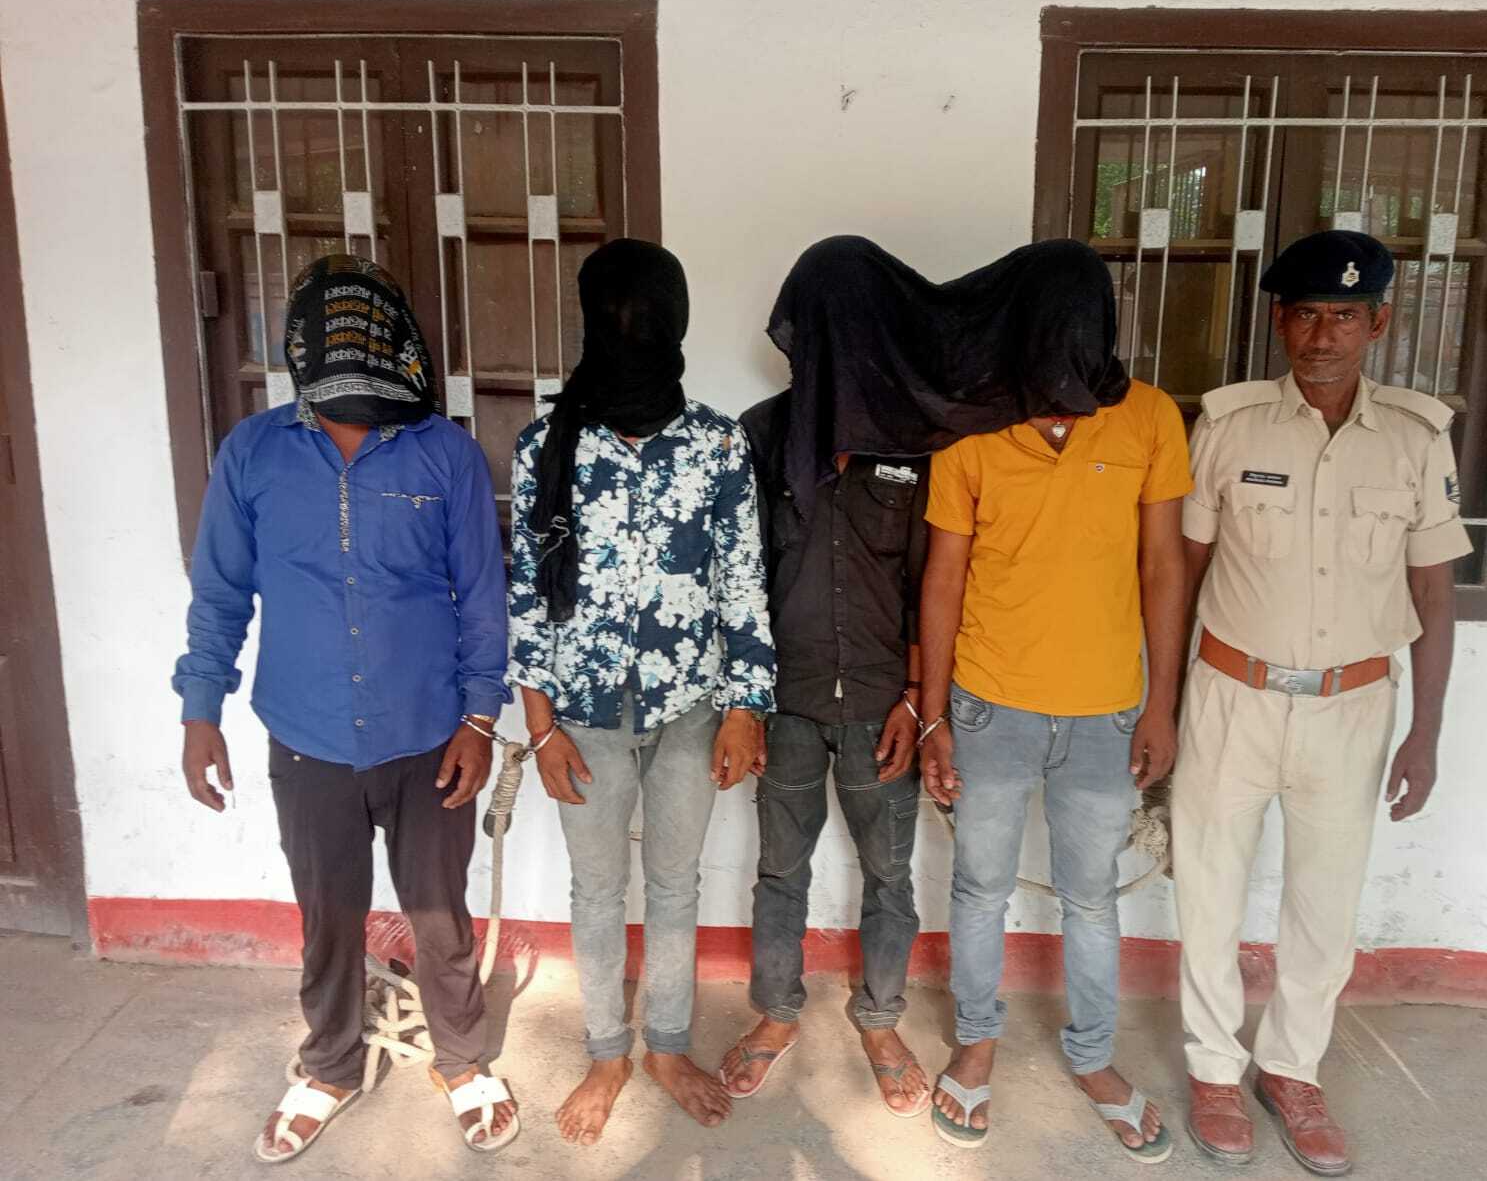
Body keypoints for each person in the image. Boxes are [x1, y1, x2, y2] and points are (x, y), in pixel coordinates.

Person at [173, 254, 519, 1163]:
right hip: (308, 734)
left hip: (429, 733)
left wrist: (479, 720)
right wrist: (200, 710)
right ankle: (329, 1064)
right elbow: (220, 593)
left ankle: (463, 1061)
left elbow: (483, 599)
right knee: (327, 914)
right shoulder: (252, 453)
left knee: (439, 913)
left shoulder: (444, 453)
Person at [1175, 230, 1471, 1177]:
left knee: (1324, 903)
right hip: (1230, 693)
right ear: (1279, 322)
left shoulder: (1417, 438)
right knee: (1209, 890)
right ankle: (1214, 1069)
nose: (1323, 335)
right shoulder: (1228, 426)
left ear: (1378, 324)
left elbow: (1433, 593)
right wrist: (1161, 706)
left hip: (1352, 706)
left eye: (1345, 316)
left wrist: (1425, 733)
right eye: (1306, 314)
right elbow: (1181, 573)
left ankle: (1292, 1069)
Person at [918, 241, 1190, 1161]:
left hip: (1107, 712)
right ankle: (976, 1042)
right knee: (979, 888)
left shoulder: (1149, 417)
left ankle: (1095, 1057)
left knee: (1092, 899)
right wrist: (934, 713)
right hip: (989, 704)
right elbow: (943, 577)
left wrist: (1161, 705)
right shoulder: (972, 429)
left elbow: (1163, 565)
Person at [506, 238, 776, 1146]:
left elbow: (743, 584)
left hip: (691, 710)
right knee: (595, 888)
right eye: (614, 317)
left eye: (648, 319)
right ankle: (606, 1053)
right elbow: (526, 592)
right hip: (582, 717)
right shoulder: (547, 446)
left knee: (673, 884)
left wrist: (744, 708)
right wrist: (541, 728)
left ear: (678, 325)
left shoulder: (717, 445)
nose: (631, 333)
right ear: (588, 323)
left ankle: (665, 1045)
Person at [719, 388, 931, 1115]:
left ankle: (880, 1021)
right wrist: (746, 705)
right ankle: (777, 1014)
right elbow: (738, 575)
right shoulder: (763, 433)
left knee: (889, 875)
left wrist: (915, 697)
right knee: (780, 872)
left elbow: (928, 580)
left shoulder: (909, 439)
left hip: (882, 706)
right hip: (789, 702)